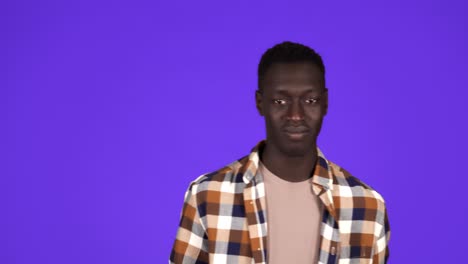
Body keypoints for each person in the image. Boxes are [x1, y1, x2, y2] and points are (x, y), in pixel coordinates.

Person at [169, 41, 390, 264]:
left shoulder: (367, 205)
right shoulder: (207, 195)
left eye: (310, 100)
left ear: (325, 103)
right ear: (260, 103)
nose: (295, 115)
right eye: (280, 101)